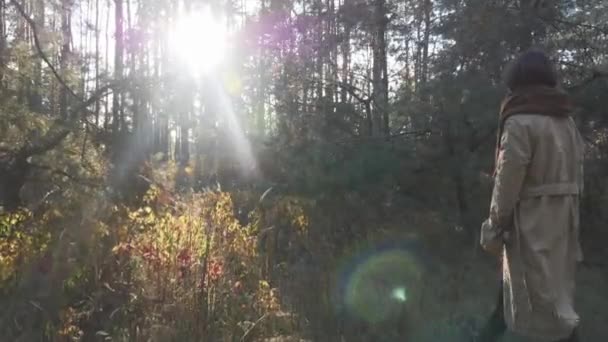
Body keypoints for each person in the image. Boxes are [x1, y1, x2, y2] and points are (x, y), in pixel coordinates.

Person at [476, 49, 585, 342]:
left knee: (540, 301)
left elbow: (508, 180)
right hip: (563, 220)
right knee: (553, 292)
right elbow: (577, 172)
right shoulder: (566, 120)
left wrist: (495, 223)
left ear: (516, 80)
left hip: (532, 221)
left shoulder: (519, 120)